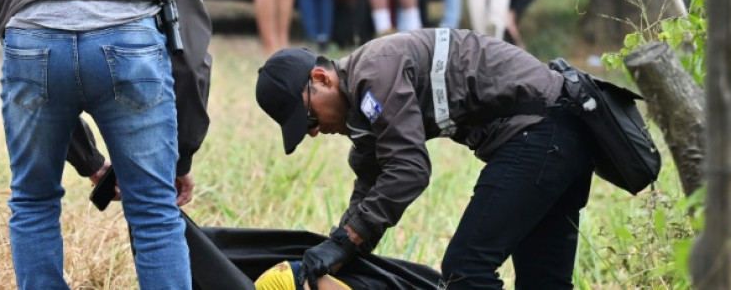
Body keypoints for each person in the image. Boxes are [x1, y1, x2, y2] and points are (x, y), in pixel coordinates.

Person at [255, 29, 597, 289]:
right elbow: (372, 180)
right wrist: (340, 248)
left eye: (309, 119)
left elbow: (409, 169)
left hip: (545, 129)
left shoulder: (373, 74)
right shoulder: (363, 102)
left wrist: (346, 241)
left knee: (466, 268)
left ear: (321, 78)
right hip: (562, 131)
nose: (313, 132)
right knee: (543, 281)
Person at [0, 0, 213, 290]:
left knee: (33, 199)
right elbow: (192, 58)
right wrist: (179, 158)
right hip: (127, 40)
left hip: (31, 38)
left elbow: (16, 43)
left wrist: (90, 162)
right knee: (152, 210)